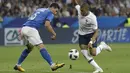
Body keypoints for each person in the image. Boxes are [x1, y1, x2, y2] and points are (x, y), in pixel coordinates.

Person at [13, 3, 65, 72]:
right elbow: (47, 25)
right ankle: (52, 65)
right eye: (56, 11)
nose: (55, 13)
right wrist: (54, 33)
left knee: (29, 48)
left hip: (24, 28)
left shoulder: (40, 9)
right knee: (41, 47)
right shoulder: (50, 13)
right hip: (32, 29)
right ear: (52, 8)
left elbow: (34, 18)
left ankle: (18, 65)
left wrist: (22, 33)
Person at [74, 0, 112, 73]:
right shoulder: (79, 9)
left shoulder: (92, 18)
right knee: (84, 51)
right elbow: (75, 3)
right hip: (82, 35)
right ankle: (98, 68)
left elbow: (96, 32)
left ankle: (102, 46)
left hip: (91, 34)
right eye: (81, 10)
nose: (81, 12)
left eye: (83, 11)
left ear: (87, 10)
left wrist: (91, 41)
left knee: (93, 53)